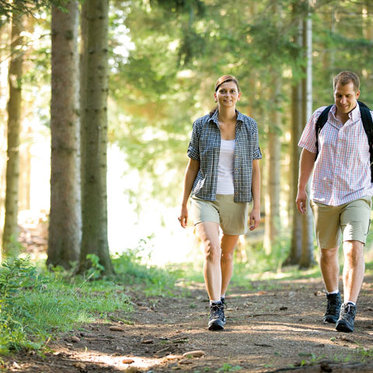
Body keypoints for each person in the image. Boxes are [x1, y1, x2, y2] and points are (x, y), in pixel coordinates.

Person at [178, 75, 262, 331]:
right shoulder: (202, 125)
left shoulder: (249, 126)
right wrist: (183, 204)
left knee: (226, 253)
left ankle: (221, 298)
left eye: (232, 91)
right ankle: (215, 306)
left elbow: (255, 169)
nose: (227, 95)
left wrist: (257, 206)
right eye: (222, 91)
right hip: (205, 196)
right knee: (211, 249)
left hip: (237, 199)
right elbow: (192, 167)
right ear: (215, 95)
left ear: (239, 95)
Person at [296, 71, 373, 333]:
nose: (342, 101)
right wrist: (301, 189)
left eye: (348, 96)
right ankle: (333, 297)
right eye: (338, 95)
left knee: (353, 249)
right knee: (328, 251)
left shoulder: (367, 119)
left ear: (357, 94)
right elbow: (308, 152)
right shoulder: (320, 117)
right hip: (324, 194)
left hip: (358, 193)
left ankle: (349, 307)